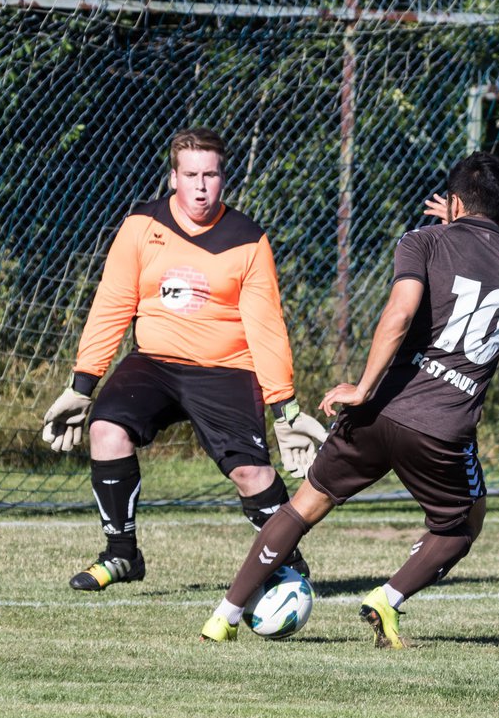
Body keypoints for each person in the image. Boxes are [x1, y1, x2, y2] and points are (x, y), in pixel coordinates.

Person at [199, 151, 499, 646]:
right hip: (441, 427)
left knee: (301, 509)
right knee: (462, 525)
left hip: (378, 409)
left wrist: (361, 388)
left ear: (450, 203)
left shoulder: (422, 240)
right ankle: (388, 597)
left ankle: (224, 616)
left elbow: (400, 313)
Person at [41, 127, 327, 591]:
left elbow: (266, 327)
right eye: (190, 174)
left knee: (250, 472)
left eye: (210, 175)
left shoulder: (248, 239)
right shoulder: (141, 226)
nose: (200, 186)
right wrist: (82, 384)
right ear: (173, 177)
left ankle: (285, 558)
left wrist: (285, 407)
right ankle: (121, 556)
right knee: (106, 430)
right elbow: (112, 304)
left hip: (226, 369)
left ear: (223, 178)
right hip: (154, 362)